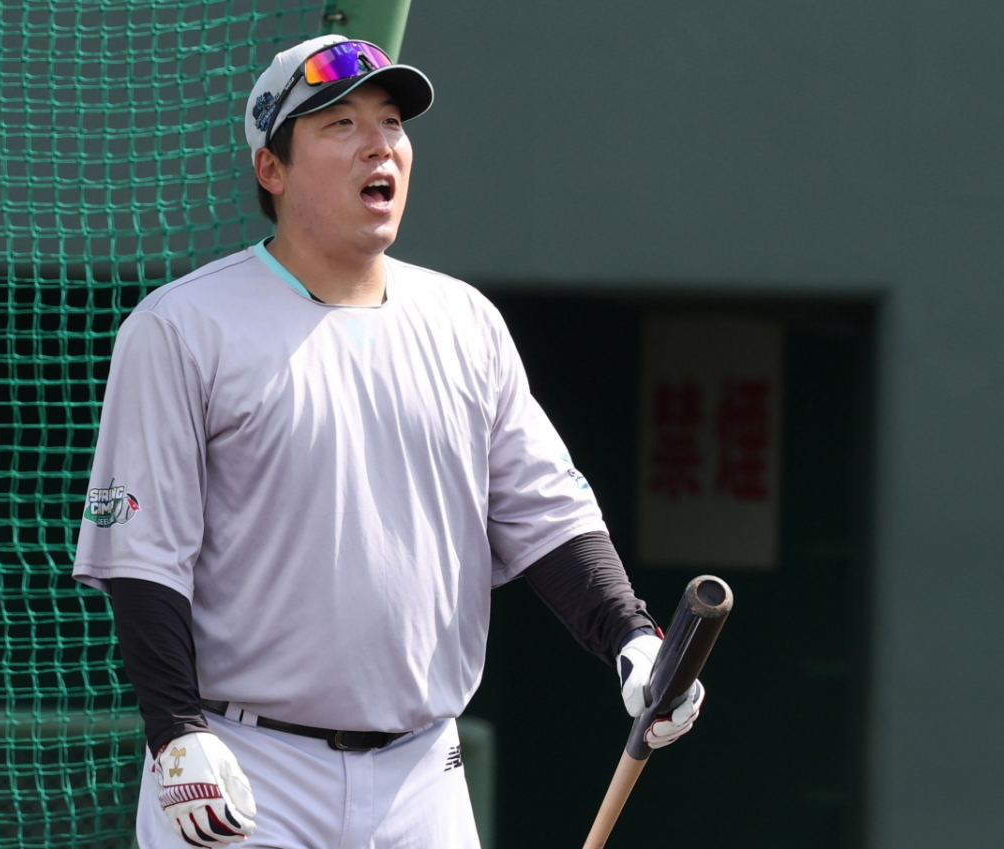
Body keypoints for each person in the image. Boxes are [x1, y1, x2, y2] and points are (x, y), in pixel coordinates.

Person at [72, 34, 704, 849]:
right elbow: (144, 558)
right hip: (246, 766)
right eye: (340, 124)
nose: (379, 144)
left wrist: (633, 638)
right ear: (271, 168)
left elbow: (547, 515)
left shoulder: (464, 321)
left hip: (424, 773)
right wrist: (175, 733)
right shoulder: (181, 326)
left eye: (392, 122)